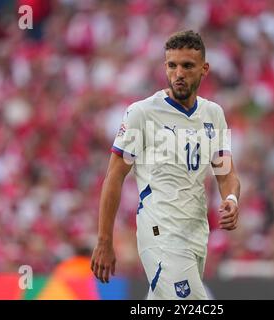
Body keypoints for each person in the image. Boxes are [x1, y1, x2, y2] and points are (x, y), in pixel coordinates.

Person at [90, 30, 240, 300]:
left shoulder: (214, 114)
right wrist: (104, 240)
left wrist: (231, 198)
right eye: (172, 65)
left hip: (196, 233)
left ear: (204, 69)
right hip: (161, 232)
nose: (178, 73)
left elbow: (226, 173)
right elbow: (114, 176)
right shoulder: (142, 113)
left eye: (187, 66)